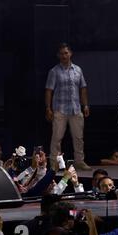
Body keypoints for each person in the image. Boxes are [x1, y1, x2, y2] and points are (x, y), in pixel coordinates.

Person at [45, 43, 91, 171]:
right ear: (58, 55)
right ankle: (54, 163)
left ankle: (79, 161)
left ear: (70, 53)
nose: (64, 56)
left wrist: (85, 105)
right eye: (61, 53)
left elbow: (83, 88)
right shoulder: (54, 71)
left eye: (66, 53)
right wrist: (48, 108)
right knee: (57, 138)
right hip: (60, 109)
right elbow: (49, 90)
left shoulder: (78, 70)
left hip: (76, 108)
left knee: (78, 138)